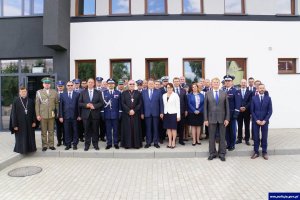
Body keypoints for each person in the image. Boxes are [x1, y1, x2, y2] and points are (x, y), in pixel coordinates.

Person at [204, 77, 230, 161]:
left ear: (219, 84)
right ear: (211, 84)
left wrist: (227, 119)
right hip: (211, 118)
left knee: (222, 136)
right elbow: (205, 108)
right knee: (211, 137)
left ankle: (222, 153)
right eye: (214, 82)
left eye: (217, 82)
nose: (215, 83)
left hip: (222, 118)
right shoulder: (207, 93)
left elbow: (227, 107)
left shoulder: (224, 93)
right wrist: (205, 119)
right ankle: (212, 153)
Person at [79, 78, 104, 151]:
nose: (90, 83)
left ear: (94, 84)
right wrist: (86, 105)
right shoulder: (83, 92)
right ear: (87, 83)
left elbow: (101, 103)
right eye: (89, 82)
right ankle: (87, 145)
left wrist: (94, 106)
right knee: (86, 131)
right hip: (86, 115)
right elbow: (79, 103)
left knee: (95, 130)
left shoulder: (98, 92)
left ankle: (95, 145)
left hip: (95, 114)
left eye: (92, 82)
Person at [10, 87, 37, 154]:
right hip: (19, 124)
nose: (23, 93)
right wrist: (14, 125)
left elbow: (34, 112)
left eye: (24, 91)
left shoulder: (30, 101)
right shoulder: (16, 101)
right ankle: (21, 149)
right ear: (19, 93)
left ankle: (31, 149)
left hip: (29, 123)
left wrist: (34, 121)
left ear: (26, 92)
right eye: (22, 92)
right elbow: (13, 114)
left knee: (30, 136)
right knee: (21, 137)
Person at [35, 77, 59, 151]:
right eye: (45, 83)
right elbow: (37, 104)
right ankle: (44, 145)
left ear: (50, 85)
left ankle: (51, 145)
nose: (47, 85)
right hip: (43, 115)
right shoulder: (39, 92)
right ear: (43, 84)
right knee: (44, 131)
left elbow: (56, 103)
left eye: (48, 83)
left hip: (51, 115)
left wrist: (57, 112)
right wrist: (38, 115)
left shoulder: (54, 92)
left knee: (51, 131)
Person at [251, 84, 272, 160]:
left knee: (264, 137)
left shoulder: (268, 98)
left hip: (264, 121)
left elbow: (270, 111)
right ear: (258, 89)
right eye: (260, 88)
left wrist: (265, 120)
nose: (262, 89)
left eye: (263, 88)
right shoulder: (253, 98)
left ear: (265, 89)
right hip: (256, 121)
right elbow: (252, 111)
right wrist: (256, 120)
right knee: (256, 137)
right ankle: (256, 152)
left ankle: (264, 152)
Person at [141, 79, 164, 148]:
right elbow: (142, 104)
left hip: (156, 113)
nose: (151, 85)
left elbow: (161, 103)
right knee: (148, 128)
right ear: (147, 84)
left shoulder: (158, 92)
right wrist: (142, 113)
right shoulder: (143, 92)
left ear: (154, 84)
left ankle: (156, 142)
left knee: (155, 128)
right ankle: (148, 142)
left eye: (152, 84)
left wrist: (161, 112)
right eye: (149, 83)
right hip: (147, 113)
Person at [121, 80, 143, 149]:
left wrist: (134, 110)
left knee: (135, 129)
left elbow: (140, 103)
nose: (132, 85)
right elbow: (122, 103)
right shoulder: (124, 93)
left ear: (135, 85)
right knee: (127, 129)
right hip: (126, 114)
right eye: (130, 84)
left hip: (135, 114)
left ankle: (136, 144)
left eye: (133, 84)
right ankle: (127, 144)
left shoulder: (138, 93)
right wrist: (128, 110)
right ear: (128, 85)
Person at [59, 81, 80, 150]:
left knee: (75, 131)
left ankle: (75, 144)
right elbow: (61, 106)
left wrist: (79, 115)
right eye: (68, 85)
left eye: (71, 85)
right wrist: (61, 116)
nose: (70, 86)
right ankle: (68, 144)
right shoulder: (62, 95)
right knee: (67, 131)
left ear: (73, 86)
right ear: (66, 86)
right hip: (66, 116)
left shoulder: (77, 94)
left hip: (75, 116)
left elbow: (78, 106)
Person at [102, 79, 122, 149]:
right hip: (107, 115)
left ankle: (116, 143)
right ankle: (109, 143)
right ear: (107, 84)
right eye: (109, 83)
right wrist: (102, 114)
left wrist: (120, 113)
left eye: (112, 83)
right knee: (108, 130)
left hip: (115, 115)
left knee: (116, 130)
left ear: (114, 84)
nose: (111, 85)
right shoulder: (104, 93)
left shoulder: (118, 93)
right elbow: (102, 105)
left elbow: (120, 104)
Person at [223, 75, 241, 151]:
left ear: (232, 82)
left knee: (233, 131)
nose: (227, 82)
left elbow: (238, 103)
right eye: (226, 81)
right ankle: (228, 143)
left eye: (229, 81)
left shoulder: (235, 91)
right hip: (224, 115)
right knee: (226, 131)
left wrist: (236, 113)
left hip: (232, 114)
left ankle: (232, 144)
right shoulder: (222, 90)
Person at [162, 83, 180, 148]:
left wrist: (178, 116)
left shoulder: (175, 95)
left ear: (172, 88)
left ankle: (173, 142)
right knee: (168, 129)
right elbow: (163, 105)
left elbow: (178, 106)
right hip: (166, 114)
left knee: (173, 129)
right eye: (167, 87)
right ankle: (169, 141)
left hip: (173, 114)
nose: (169, 88)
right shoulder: (164, 95)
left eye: (170, 87)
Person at [236, 79, 252, 145]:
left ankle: (247, 139)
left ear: (246, 83)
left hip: (247, 111)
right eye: (242, 82)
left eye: (244, 83)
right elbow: (236, 101)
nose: (243, 84)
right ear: (240, 83)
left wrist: (245, 107)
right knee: (239, 125)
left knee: (247, 126)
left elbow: (250, 101)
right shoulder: (237, 92)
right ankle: (239, 139)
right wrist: (239, 107)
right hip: (239, 111)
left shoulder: (250, 92)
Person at [173, 77, 188, 145]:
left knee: (181, 127)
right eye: (175, 81)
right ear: (173, 82)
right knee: (174, 127)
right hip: (173, 112)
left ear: (179, 82)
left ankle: (181, 140)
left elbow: (185, 101)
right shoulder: (171, 90)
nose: (176, 82)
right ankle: (174, 140)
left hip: (182, 111)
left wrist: (186, 110)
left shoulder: (183, 90)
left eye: (177, 81)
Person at [96, 76, 107, 142]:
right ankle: (96, 136)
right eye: (98, 82)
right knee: (96, 124)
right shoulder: (94, 90)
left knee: (103, 124)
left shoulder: (106, 90)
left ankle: (102, 136)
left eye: (100, 82)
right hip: (96, 110)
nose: (99, 83)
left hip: (104, 110)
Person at [55, 80, 65, 146]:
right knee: (58, 129)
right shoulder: (55, 94)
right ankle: (59, 141)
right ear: (57, 86)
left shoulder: (66, 94)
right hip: (57, 114)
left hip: (65, 114)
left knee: (65, 129)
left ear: (63, 87)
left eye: (61, 86)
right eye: (59, 86)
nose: (60, 87)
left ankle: (64, 141)